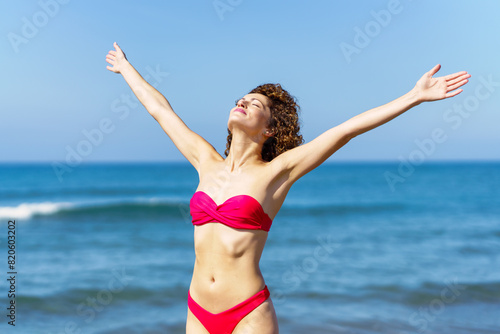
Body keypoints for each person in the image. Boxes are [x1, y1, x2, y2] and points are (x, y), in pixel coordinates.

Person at [105, 42, 470, 334]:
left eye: (255, 103)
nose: (242, 102)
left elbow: (345, 130)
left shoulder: (276, 173)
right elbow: (161, 111)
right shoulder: (205, 160)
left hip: (247, 312)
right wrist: (126, 69)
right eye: (240, 99)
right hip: (197, 311)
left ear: (269, 130)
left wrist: (413, 97)